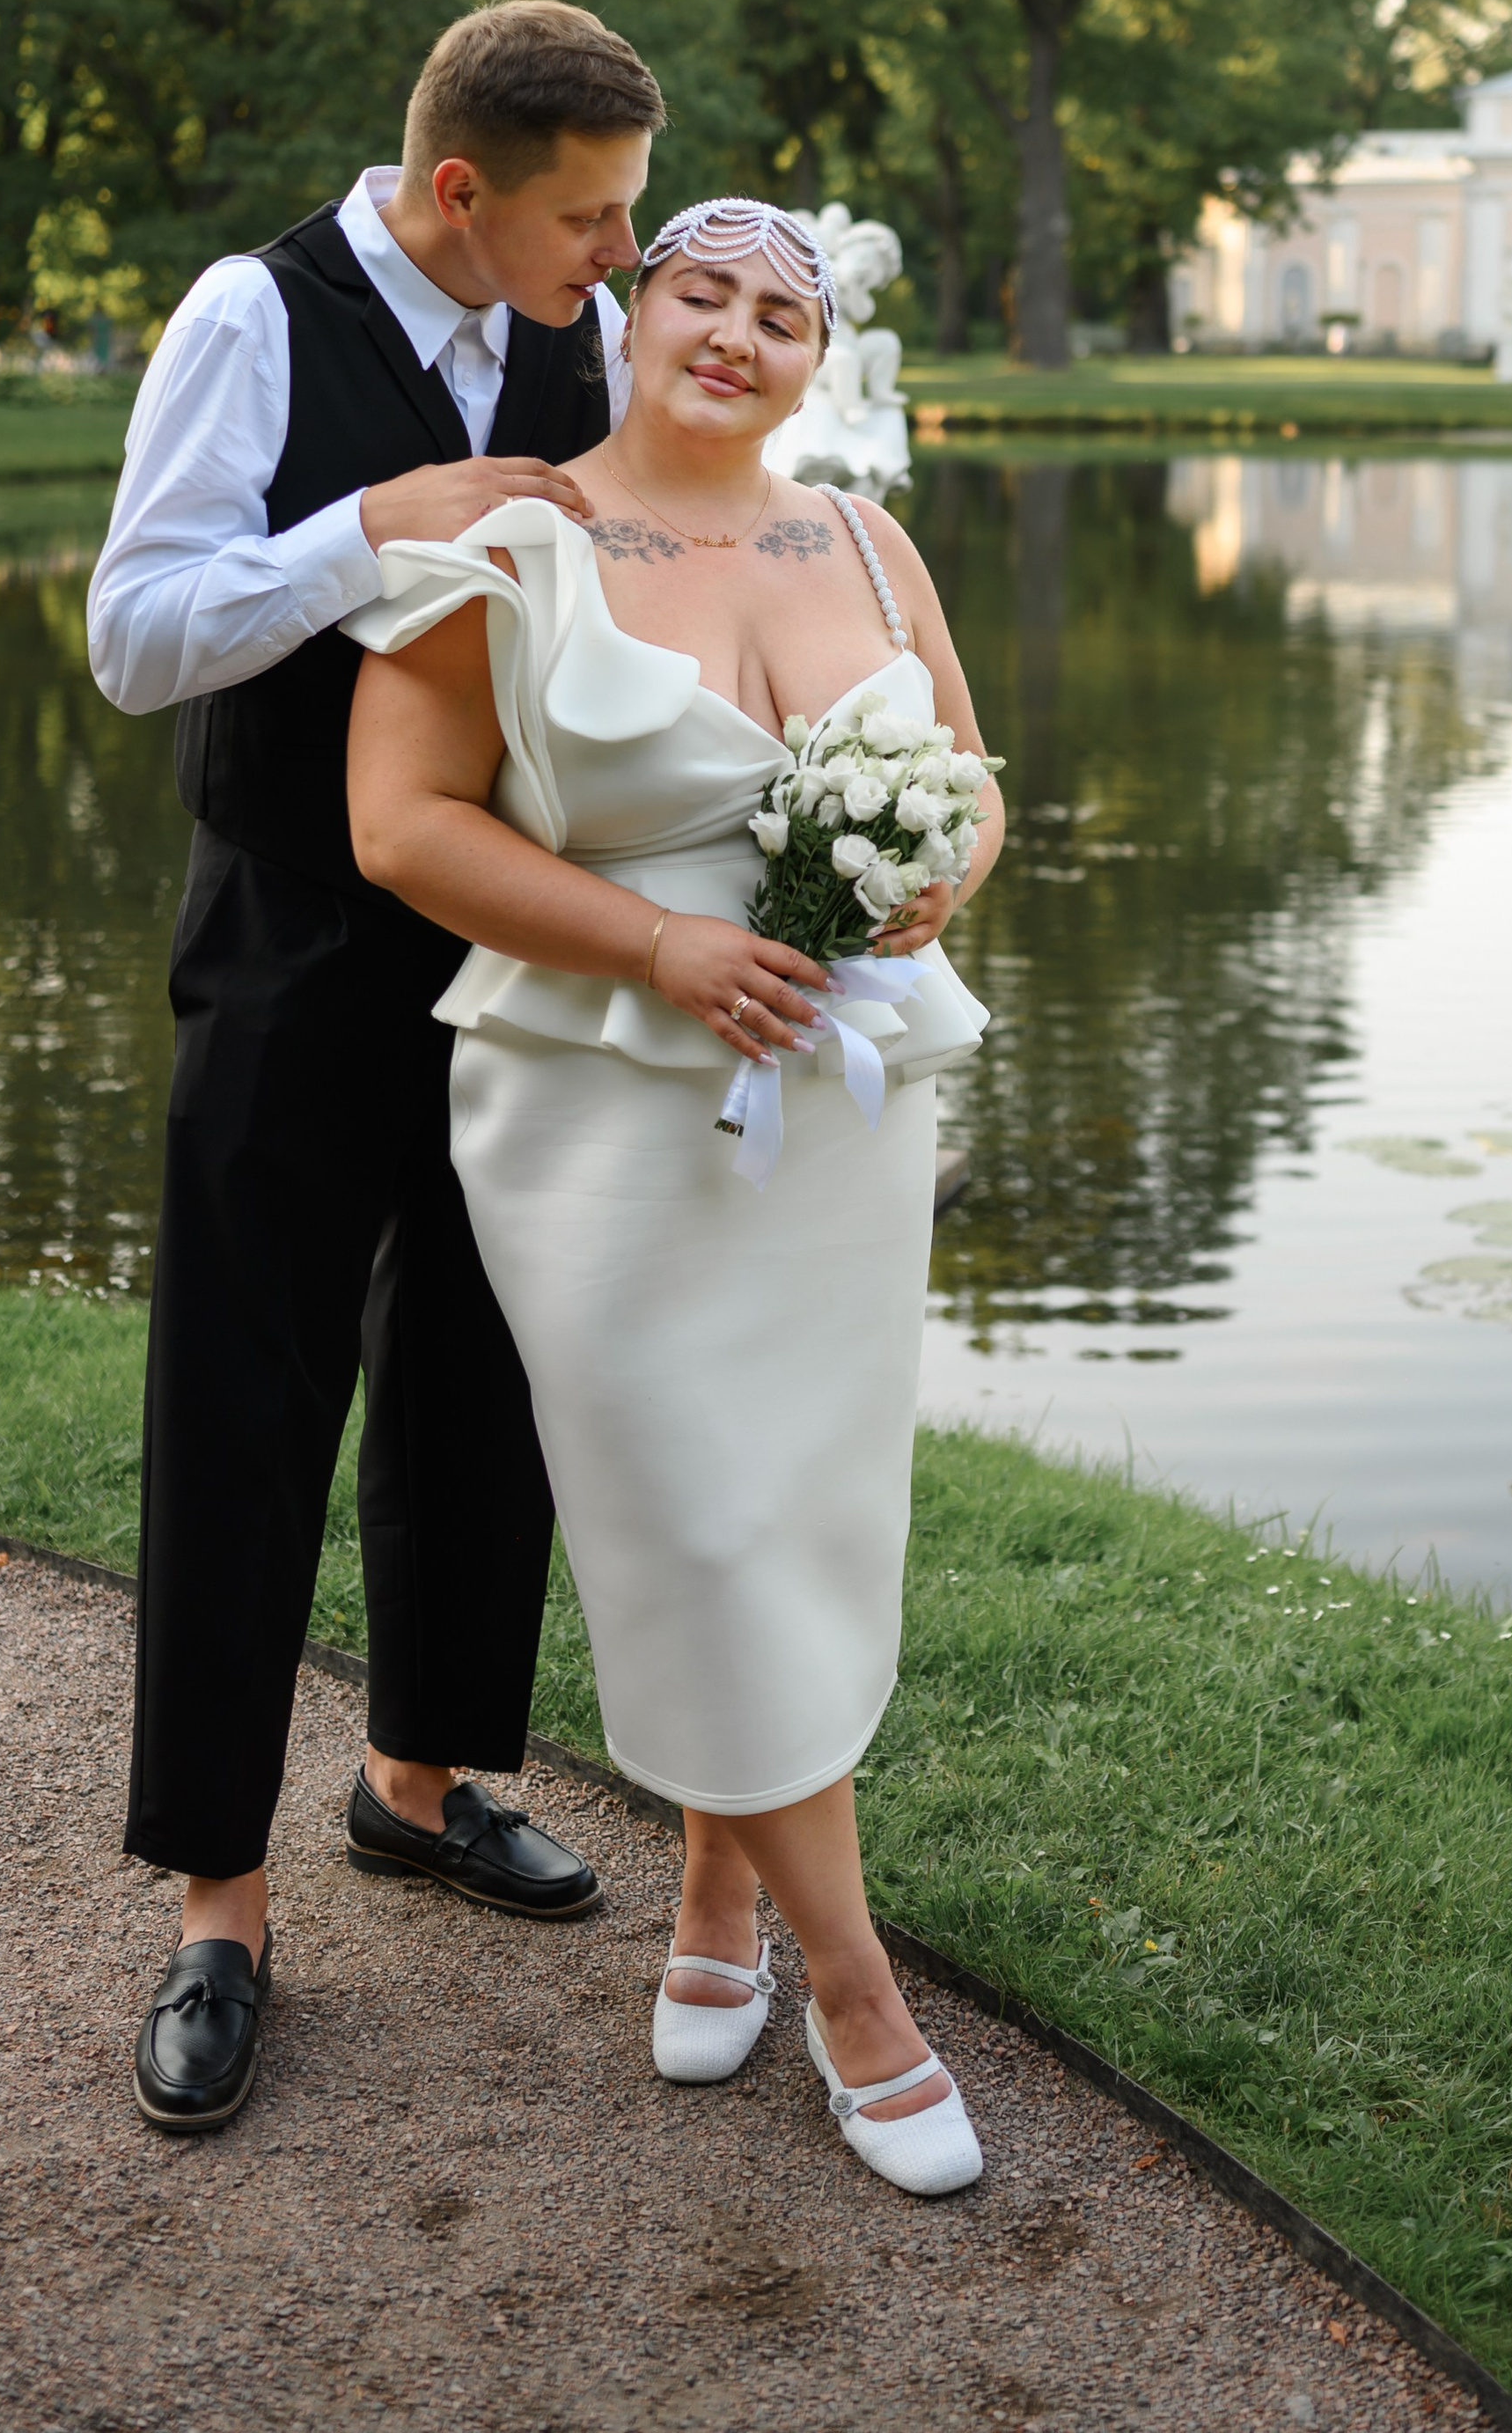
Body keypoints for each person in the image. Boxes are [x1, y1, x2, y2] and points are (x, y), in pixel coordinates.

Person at [345, 198, 1006, 2196]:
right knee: (697, 1513)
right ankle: (859, 1993)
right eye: (699, 294)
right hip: (601, 1107)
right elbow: (400, 824)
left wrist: (933, 875)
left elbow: (973, 776)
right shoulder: (515, 543)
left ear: (819, 359)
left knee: (798, 1510)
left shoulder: (864, 541)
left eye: (780, 314)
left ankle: (720, 1900)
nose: (735, 334)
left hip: (838, 1106)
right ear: (632, 317)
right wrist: (659, 943)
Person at [87, 0, 658, 2132]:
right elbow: (134, 635)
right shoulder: (253, 315)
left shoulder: (583, 335)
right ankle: (217, 1908)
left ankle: (418, 1781)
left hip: (509, 936)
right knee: (244, 1400)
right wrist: (368, 531)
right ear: (459, 191)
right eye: (588, 218)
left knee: (480, 1375)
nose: (617, 255)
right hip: (288, 945)